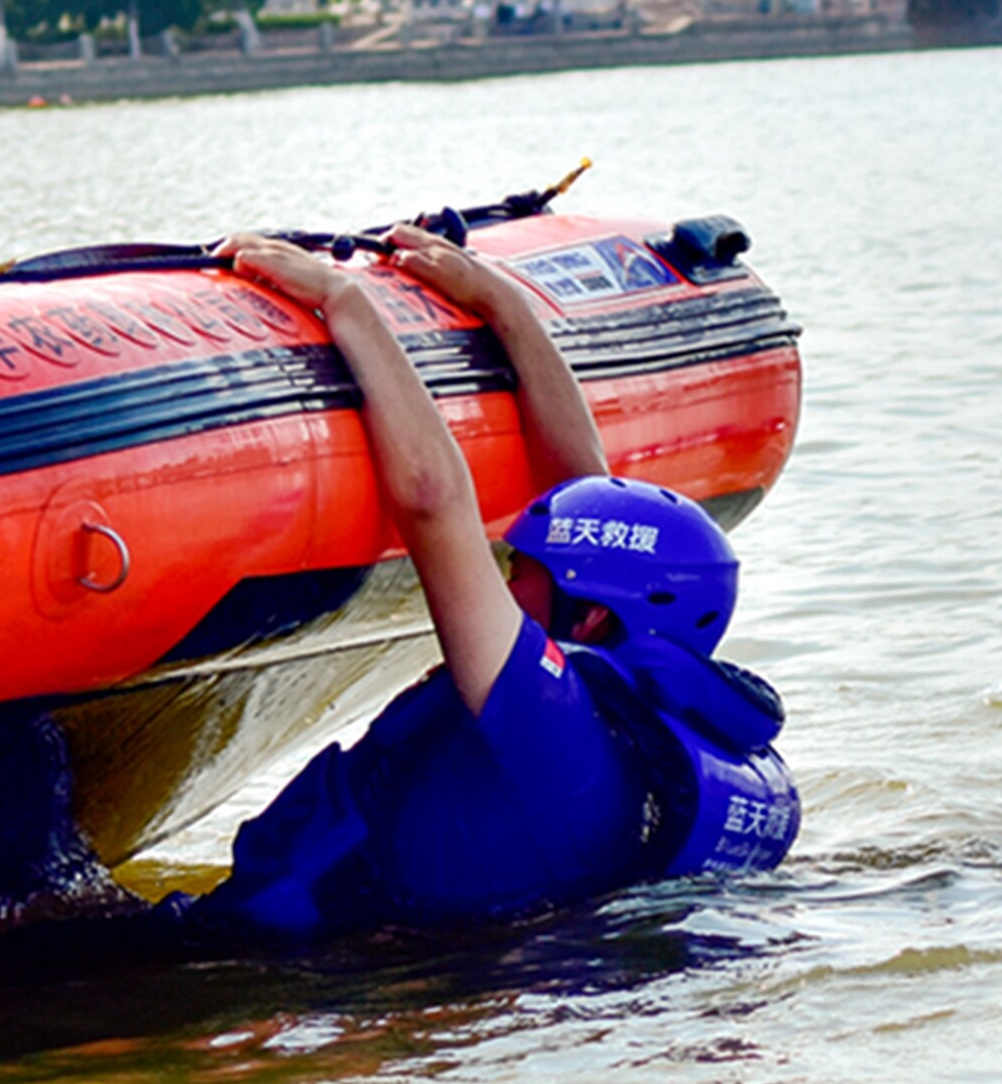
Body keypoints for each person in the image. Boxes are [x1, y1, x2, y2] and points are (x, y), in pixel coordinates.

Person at [173, 222, 798, 941]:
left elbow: (434, 502)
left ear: (591, 619)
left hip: (293, 963)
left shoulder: (547, 723)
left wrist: (344, 301)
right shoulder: (622, 716)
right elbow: (589, 494)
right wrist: (505, 306)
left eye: (522, 570)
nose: (504, 577)